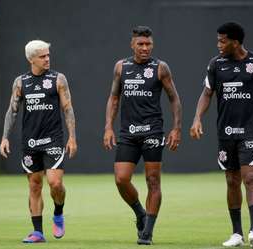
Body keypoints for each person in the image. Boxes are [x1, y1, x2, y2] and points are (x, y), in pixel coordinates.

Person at [190, 22, 253, 248]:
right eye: (218, 40)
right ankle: (236, 234)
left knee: (250, 177)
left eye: (223, 40)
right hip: (226, 133)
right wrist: (197, 117)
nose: (218, 45)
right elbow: (207, 93)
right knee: (232, 180)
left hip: (251, 131)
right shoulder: (216, 65)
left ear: (235, 42)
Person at [103, 26, 182, 245]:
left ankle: (147, 231)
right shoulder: (121, 67)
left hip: (152, 131)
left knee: (153, 180)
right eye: (141, 44)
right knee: (121, 179)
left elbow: (174, 98)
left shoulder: (160, 68)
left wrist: (176, 128)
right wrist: (108, 126)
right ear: (132, 45)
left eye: (148, 44)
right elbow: (114, 98)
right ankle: (140, 212)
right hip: (128, 132)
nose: (145, 48)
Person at [0, 40, 77, 243]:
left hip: (53, 139)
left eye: (48, 55)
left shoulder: (58, 79)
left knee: (55, 183)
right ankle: (38, 232)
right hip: (30, 143)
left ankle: (58, 212)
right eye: (43, 56)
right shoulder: (20, 82)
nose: (47, 59)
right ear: (31, 59)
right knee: (34, 185)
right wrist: (5, 137)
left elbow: (67, 109)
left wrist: (72, 138)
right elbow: (12, 110)